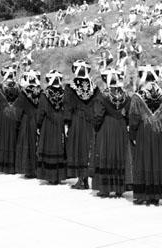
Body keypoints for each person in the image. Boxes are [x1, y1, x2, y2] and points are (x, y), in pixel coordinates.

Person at [129, 65, 162, 205]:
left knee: (144, 161)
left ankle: (143, 195)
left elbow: (134, 117)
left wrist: (133, 134)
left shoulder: (138, 95)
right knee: (157, 161)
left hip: (144, 131)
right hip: (159, 133)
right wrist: (160, 127)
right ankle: (156, 196)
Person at [92, 68, 131, 198]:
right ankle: (119, 188)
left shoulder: (103, 96)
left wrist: (96, 128)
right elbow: (128, 114)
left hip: (107, 127)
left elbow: (98, 115)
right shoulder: (125, 95)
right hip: (121, 127)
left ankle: (105, 188)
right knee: (119, 156)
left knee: (107, 155)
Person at [64, 60, 99, 189]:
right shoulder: (94, 87)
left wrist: (67, 122)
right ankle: (85, 179)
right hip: (89, 121)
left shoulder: (71, 87)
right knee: (87, 148)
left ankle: (81, 179)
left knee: (78, 148)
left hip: (77, 121)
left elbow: (68, 106)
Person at [36, 70, 67, 185]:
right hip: (60, 122)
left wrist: (38, 124)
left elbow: (41, 111)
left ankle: (50, 176)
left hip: (48, 124)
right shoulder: (64, 93)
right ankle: (58, 175)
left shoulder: (45, 94)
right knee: (59, 146)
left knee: (49, 146)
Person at [0, 66, 20, 174]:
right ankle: (13, 165)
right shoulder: (18, 87)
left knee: (3, 139)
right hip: (14, 115)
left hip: (2, 115)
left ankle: (3, 165)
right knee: (13, 139)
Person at [14, 70, 42, 178]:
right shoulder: (41, 91)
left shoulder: (24, 93)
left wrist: (17, 122)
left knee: (28, 144)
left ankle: (29, 170)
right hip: (37, 119)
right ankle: (38, 168)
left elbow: (19, 110)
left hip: (27, 121)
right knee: (37, 144)